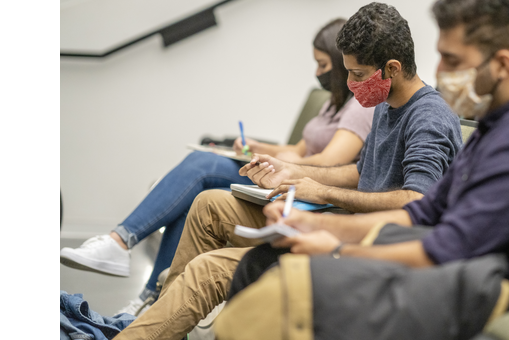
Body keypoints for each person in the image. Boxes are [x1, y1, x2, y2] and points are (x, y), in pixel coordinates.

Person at [223, 0, 509, 335]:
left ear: (502, 64)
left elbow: (445, 249)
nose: (439, 71)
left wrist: (338, 249)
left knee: (280, 281)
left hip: (490, 306)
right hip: (451, 281)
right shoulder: (499, 124)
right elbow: (424, 213)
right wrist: (318, 225)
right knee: (265, 264)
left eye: (452, 61)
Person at [86, 2, 463, 340]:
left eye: (357, 75)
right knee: (209, 205)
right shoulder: (385, 105)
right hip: (345, 225)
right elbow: (361, 173)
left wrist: (322, 192)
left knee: (208, 271)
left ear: (392, 68)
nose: (349, 84)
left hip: (365, 250)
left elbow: (416, 199)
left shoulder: (427, 117)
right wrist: (296, 172)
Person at [60, 18, 375, 315]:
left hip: (299, 189)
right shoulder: (330, 104)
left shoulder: (358, 107)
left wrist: (279, 164)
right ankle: (148, 298)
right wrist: (257, 147)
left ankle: (119, 242)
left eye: (323, 65)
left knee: (201, 165)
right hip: (284, 172)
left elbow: (326, 162)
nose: (318, 73)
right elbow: (298, 149)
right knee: (195, 192)